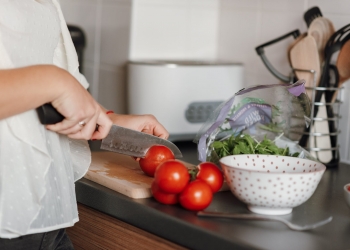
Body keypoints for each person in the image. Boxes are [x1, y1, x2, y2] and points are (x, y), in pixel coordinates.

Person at [0, 0, 169, 249]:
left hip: (44, 215)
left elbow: (24, 75)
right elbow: (47, 83)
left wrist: (105, 119)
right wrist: (56, 82)